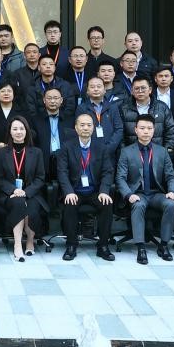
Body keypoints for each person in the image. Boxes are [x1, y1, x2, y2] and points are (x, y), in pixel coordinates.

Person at [116, 114, 174, 263]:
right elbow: (120, 178)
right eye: (142, 128)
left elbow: (171, 176)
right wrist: (128, 194)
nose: (146, 131)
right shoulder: (126, 151)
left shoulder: (162, 151)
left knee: (170, 204)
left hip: (156, 194)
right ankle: (141, 248)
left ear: (154, 130)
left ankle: (164, 245)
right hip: (137, 193)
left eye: (149, 128)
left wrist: (172, 191)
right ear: (135, 130)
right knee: (138, 205)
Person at [56, 112, 116, 261]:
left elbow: (108, 171)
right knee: (70, 204)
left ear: (93, 128)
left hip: (95, 191)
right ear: (76, 128)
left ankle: (103, 246)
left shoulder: (101, 147)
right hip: (75, 191)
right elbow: (62, 172)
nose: (85, 128)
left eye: (89, 125)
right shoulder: (67, 147)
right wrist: (68, 192)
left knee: (106, 204)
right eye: (82, 125)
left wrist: (104, 191)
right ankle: (71, 245)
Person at [0, 116, 46, 262]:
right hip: (9, 194)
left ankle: (30, 240)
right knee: (18, 203)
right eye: (15, 129)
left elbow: (40, 178)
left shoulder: (36, 152)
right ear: (10, 132)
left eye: (22, 129)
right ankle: (17, 244)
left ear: (27, 131)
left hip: (31, 193)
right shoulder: (2, 152)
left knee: (32, 207)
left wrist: (26, 192)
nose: (18, 132)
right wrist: (13, 190)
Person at [120, 76, 174, 155]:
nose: (140, 91)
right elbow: (120, 135)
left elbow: (170, 133)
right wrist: (125, 155)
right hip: (132, 155)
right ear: (132, 91)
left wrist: (166, 153)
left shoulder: (162, 107)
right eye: (136, 88)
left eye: (143, 88)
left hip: (158, 154)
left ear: (150, 90)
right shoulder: (124, 109)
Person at [81, 76, 123, 155]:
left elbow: (119, 129)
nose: (96, 89)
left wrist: (110, 147)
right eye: (92, 87)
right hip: (90, 152)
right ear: (87, 91)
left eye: (99, 86)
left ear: (104, 90)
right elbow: (80, 130)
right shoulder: (82, 108)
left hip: (110, 151)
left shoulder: (112, 107)